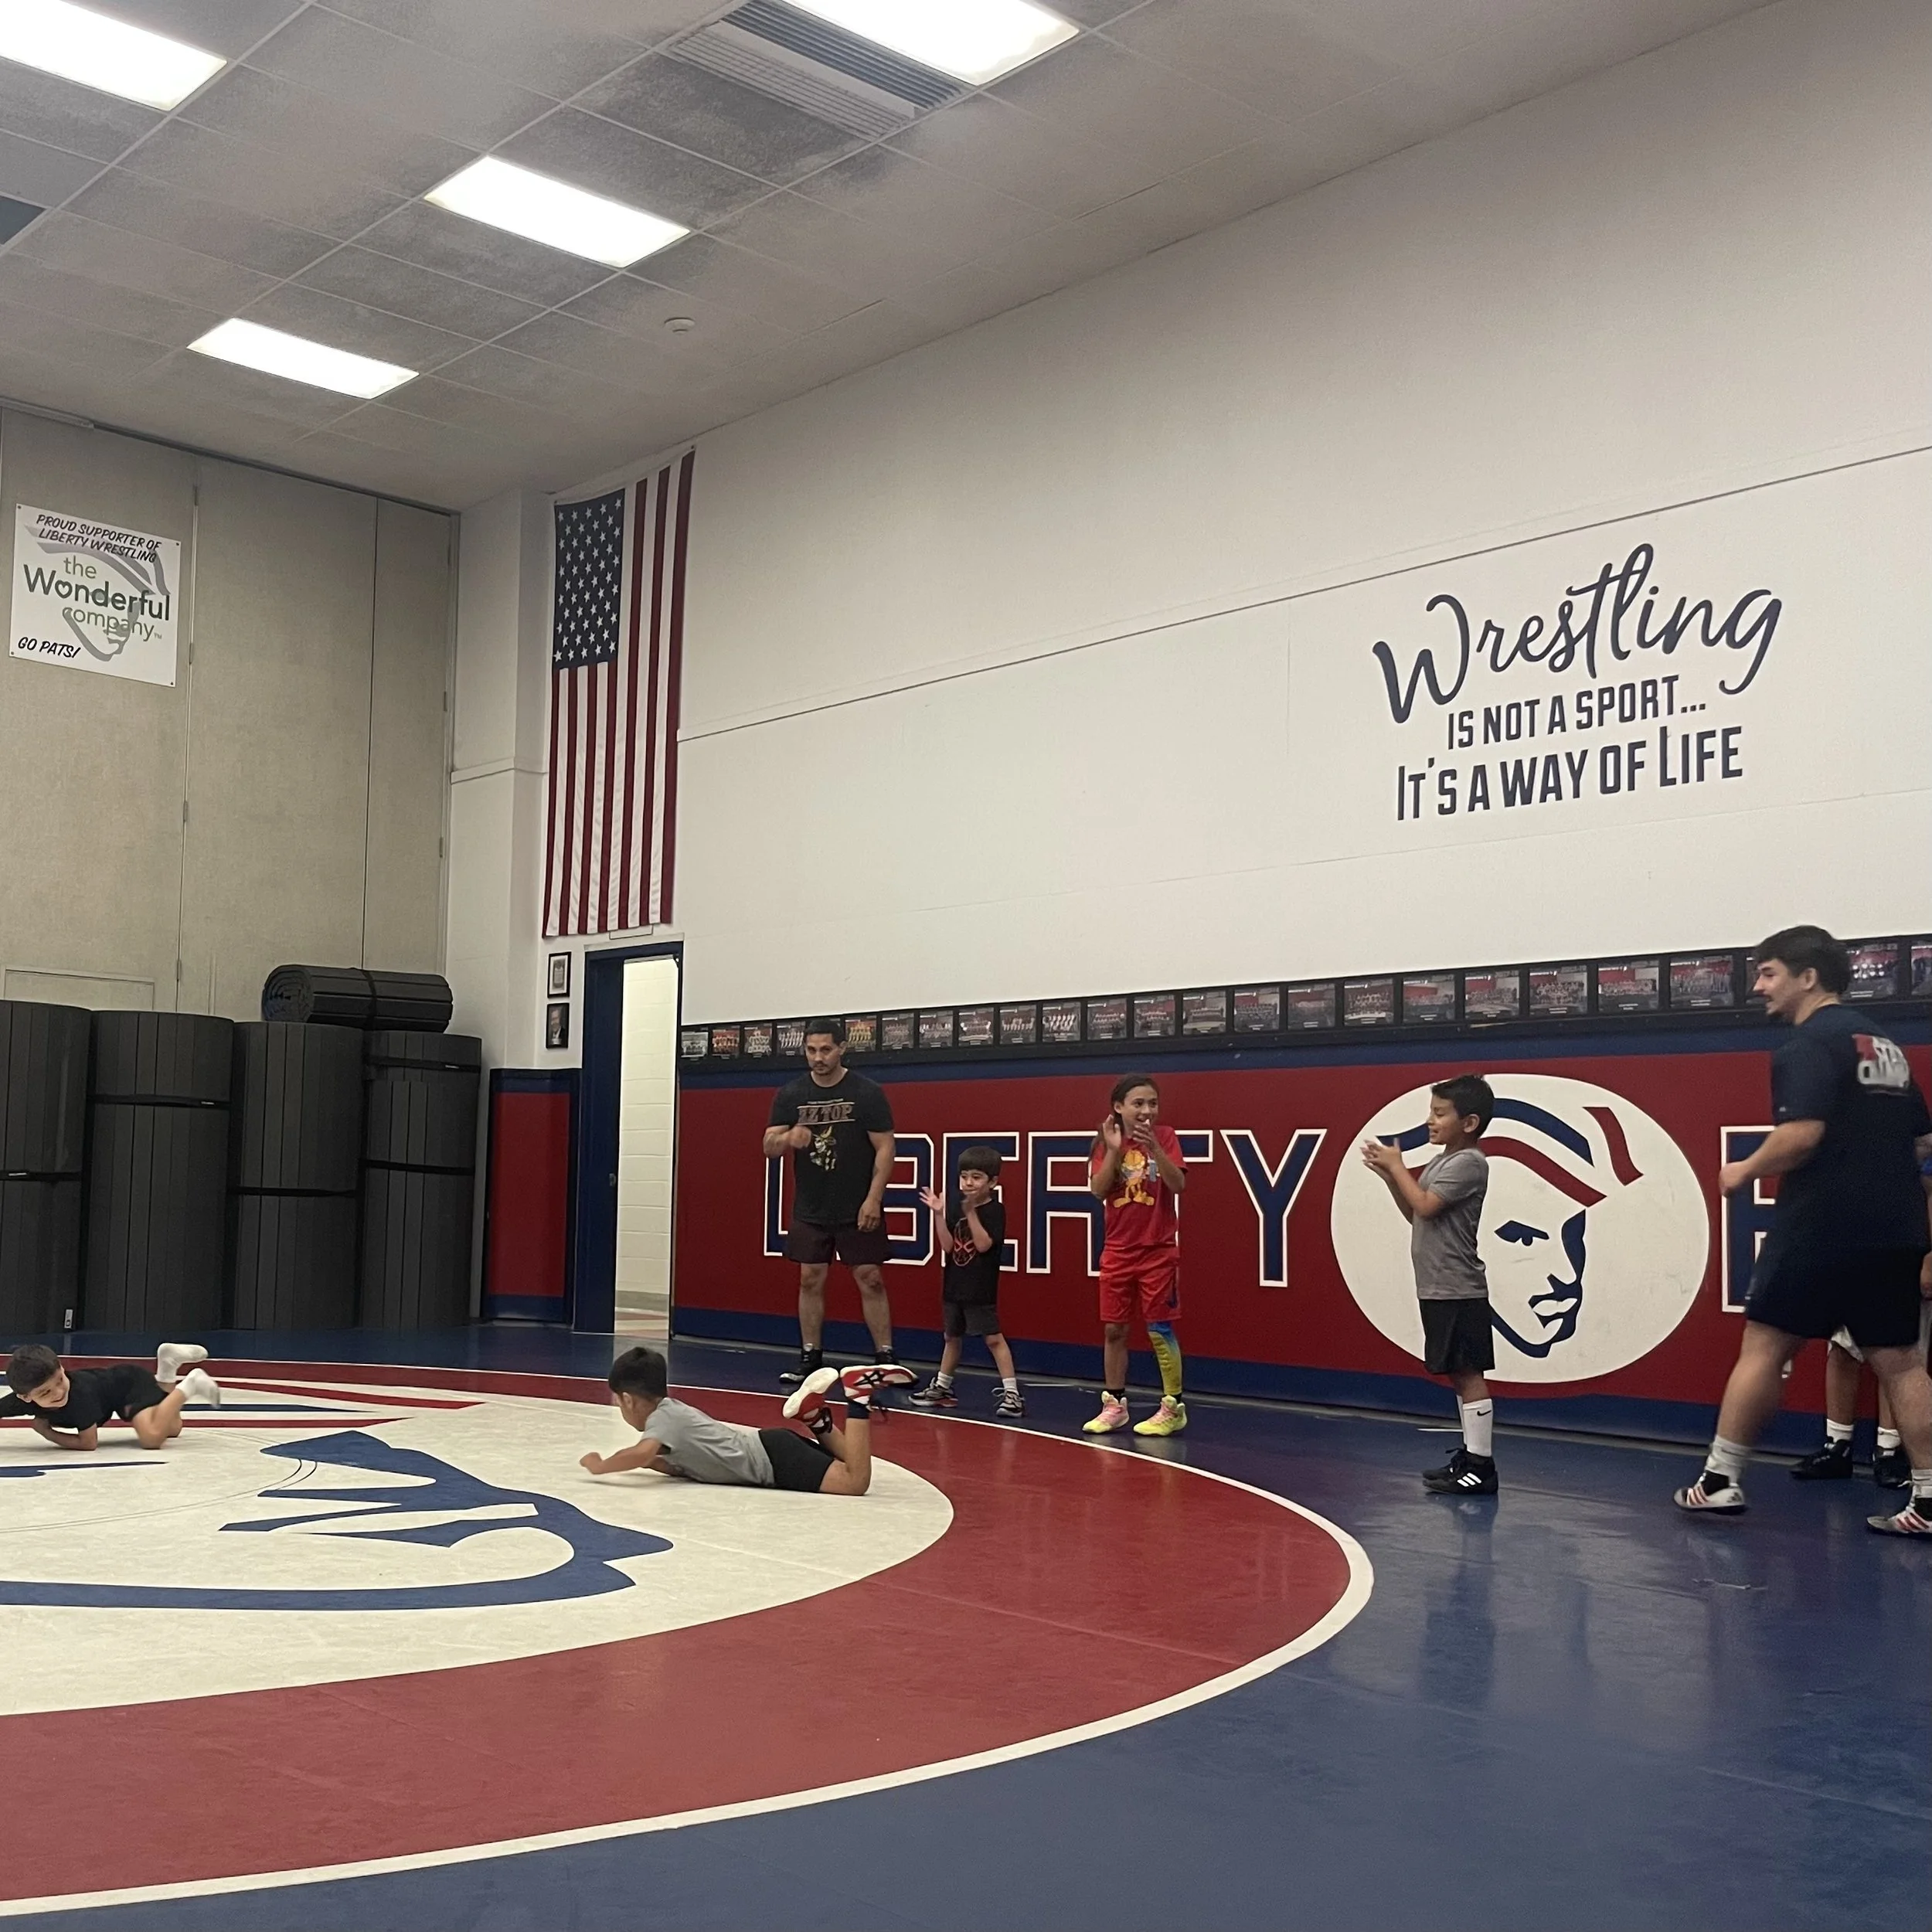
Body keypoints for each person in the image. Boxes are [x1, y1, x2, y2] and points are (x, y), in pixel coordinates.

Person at [1677, 925, 1932, 1536]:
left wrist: (1743, 1169)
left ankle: (1719, 1480)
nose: (1758, 987)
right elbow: (1921, 1139)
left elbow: (1802, 1135)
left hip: (1823, 1225)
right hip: (1894, 1225)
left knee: (1765, 1345)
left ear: (1807, 977)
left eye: (1768, 973)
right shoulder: (1883, 1045)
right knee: (1901, 1361)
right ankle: (1929, 1498)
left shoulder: (1809, 1043)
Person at [1362, 1073, 1500, 1495]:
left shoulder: (1470, 1163)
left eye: (1440, 1113)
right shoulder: (1443, 1162)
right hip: (1438, 1287)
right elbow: (1417, 1214)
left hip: (1458, 1286)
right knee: (1458, 1373)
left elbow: (1424, 1203)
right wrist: (1390, 1178)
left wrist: (1398, 1167)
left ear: (1470, 1122)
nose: (1430, 1121)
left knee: (1468, 1371)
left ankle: (1482, 1466)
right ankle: (1471, 1455)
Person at [762, 1018, 903, 1391]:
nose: (818, 1058)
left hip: (857, 1203)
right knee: (810, 1277)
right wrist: (790, 1136)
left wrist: (874, 1198)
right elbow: (768, 1146)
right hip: (812, 1204)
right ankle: (811, 1356)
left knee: (869, 1277)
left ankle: (885, 1357)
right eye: (811, 1050)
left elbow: (886, 1147)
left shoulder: (866, 1092)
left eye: (825, 1049)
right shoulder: (791, 1095)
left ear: (842, 1048)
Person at [578, 1345, 911, 1496]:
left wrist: (602, 1465)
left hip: (773, 1462)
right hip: (773, 1449)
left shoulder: (663, 1422)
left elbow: (641, 1455)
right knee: (850, 1463)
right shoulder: (671, 1414)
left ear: (628, 1399)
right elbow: (671, 1460)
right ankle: (815, 1417)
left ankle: (858, 1397)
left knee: (856, 1483)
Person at [1084, 1074, 1188, 1437]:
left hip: (1158, 1250)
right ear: (1119, 1107)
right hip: (1118, 1250)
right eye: (1138, 1104)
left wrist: (1156, 1149)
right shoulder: (1105, 1141)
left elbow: (1178, 1184)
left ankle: (1173, 1406)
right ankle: (1114, 1405)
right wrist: (1113, 1150)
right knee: (1114, 1328)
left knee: (1160, 1329)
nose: (1147, 1111)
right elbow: (1098, 1190)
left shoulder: (1167, 1136)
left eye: (1152, 1104)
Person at [911, 1146, 1025, 1417]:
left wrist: (971, 1213)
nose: (969, 1183)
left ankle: (1012, 1395)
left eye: (976, 1177)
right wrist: (939, 1214)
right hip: (954, 1285)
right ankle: (942, 1386)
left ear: (993, 1182)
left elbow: (984, 1245)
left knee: (993, 1339)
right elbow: (949, 1247)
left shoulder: (995, 1210)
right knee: (951, 1337)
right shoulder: (954, 1205)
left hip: (980, 1288)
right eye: (964, 1177)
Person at [0, 1341, 220, 1450]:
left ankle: (191, 1383)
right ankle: (167, 1366)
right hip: (117, 1388)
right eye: (46, 1392)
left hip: (128, 1385)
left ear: (62, 1367)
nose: (59, 1392)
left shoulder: (79, 1397)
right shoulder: (22, 1397)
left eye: (60, 1379)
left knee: (152, 1438)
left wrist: (47, 1433)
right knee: (173, 1429)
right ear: (25, 1398)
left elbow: (88, 1443)